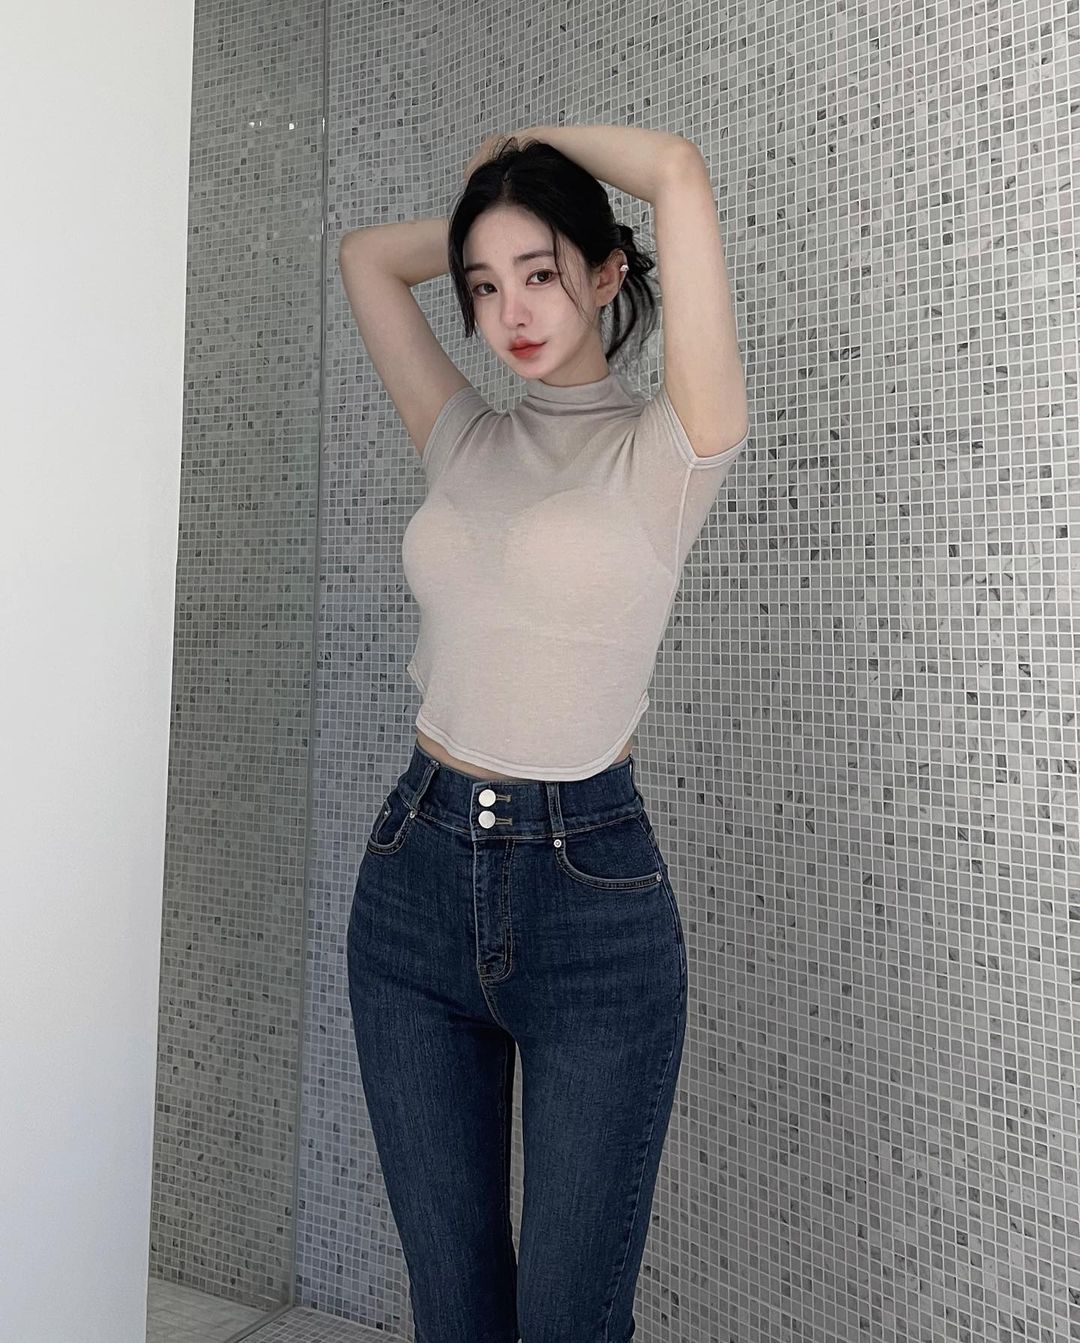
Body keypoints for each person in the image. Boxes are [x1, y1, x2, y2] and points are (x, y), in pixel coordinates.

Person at [338, 127, 748, 1343]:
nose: (508, 310)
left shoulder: (671, 448)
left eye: (541, 272)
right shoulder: (465, 433)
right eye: (482, 284)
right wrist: (493, 210)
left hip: (587, 897)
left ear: (608, 270)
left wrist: (537, 150)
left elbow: (674, 170)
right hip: (412, 879)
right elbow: (365, 259)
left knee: (570, 1317)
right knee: (454, 1306)